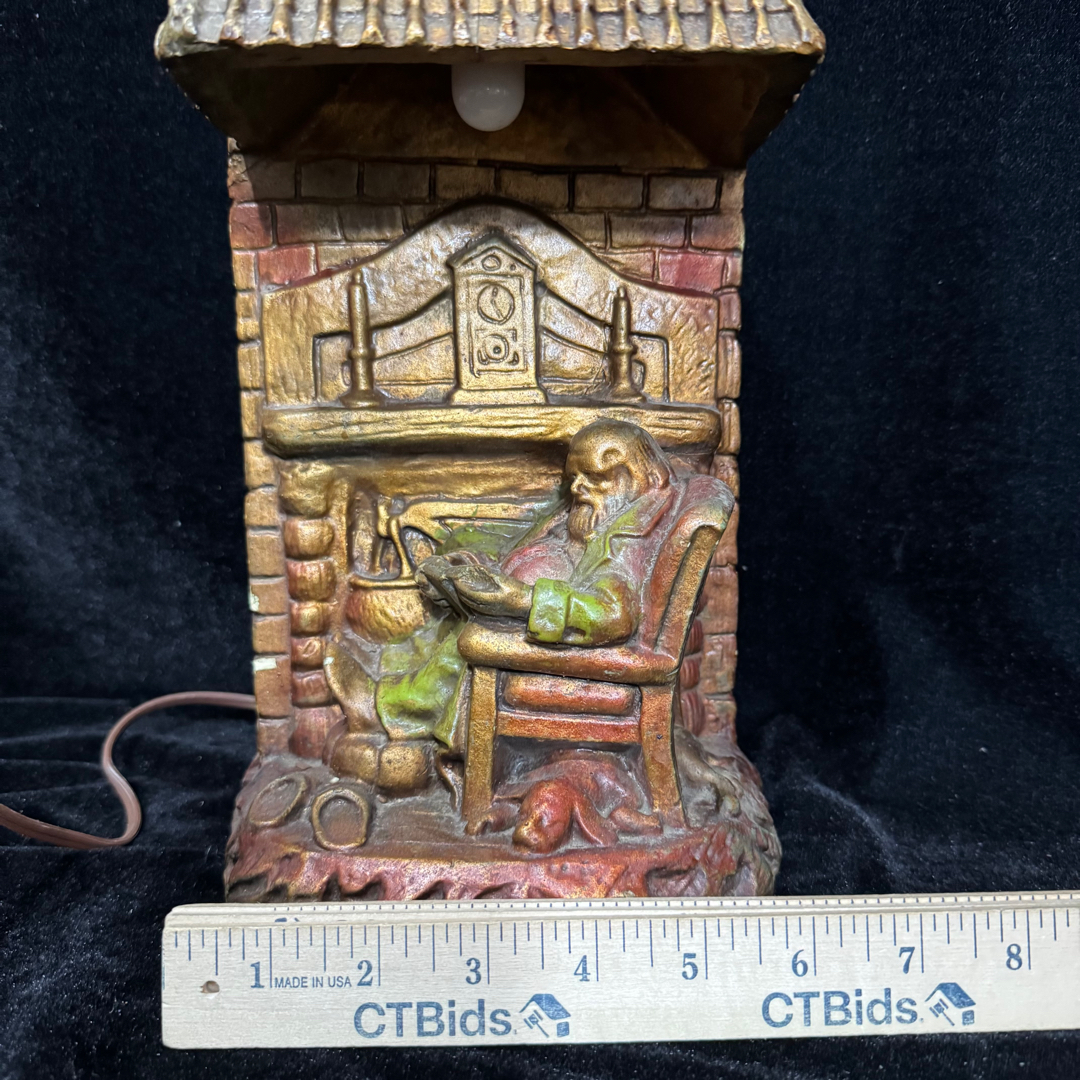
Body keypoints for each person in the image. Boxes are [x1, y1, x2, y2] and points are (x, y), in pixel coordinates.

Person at [325, 418, 725, 773]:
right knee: (463, 593)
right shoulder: (605, 510)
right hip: (533, 592)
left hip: (574, 640)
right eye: (574, 477)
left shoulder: (630, 537)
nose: (577, 488)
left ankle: (386, 708)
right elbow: (547, 541)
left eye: (593, 477)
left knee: (472, 639)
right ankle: (397, 675)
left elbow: (612, 614)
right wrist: (481, 565)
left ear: (631, 475)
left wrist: (521, 600)